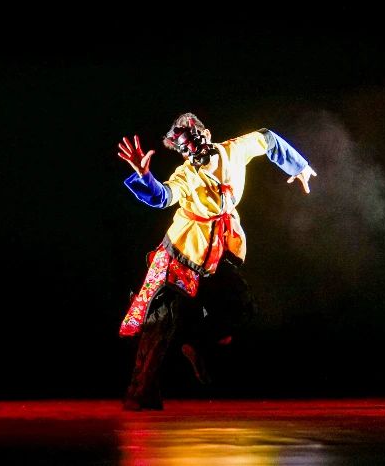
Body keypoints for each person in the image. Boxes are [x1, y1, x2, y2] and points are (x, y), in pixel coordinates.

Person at [116, 113, 316, 410]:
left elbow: (267, 138)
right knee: (160, 321)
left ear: (207, 134)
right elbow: (163, 196)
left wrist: (299, 166)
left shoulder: (235, 150)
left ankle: (196, 343)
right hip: (182, 251)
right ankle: (141, 390)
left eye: (194, 142)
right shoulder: (187, 175)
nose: (191, 151)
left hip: (218, 249)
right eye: (184, 149)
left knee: (239, 306)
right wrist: (145, 177)